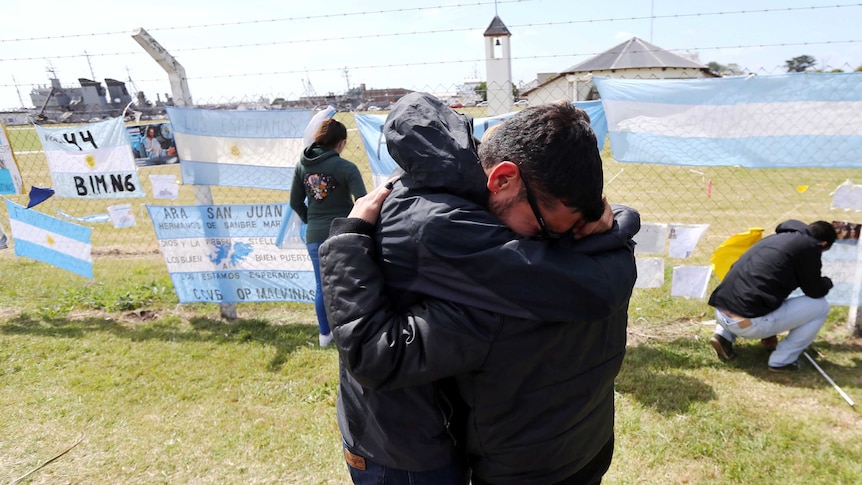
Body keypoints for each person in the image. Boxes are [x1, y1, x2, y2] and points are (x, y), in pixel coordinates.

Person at [320, 94, 639, 484]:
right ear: (502, 178)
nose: (552, 244)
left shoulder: (473, 200)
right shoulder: (436, 228)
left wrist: (610, 226)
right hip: (398, 449)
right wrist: (346, 241)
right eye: (542, 229)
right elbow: (374, 354)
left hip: (436, 440)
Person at [708, 220, 836, 372]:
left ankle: (724, 336)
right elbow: (814, 291)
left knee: (754, 290)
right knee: (820, 306)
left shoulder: (775, 239)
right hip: (748, 324)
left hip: (720, 311)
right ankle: (782, 361)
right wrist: (827, 282)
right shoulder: (809, 246)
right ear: (823, 244)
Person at [289, 118, 367, 347]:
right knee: (349, 283)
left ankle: (325, 335)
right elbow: (361, 201)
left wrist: (311, 220)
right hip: (341, 234)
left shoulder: (301, 166)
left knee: (321, 286)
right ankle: (352, 329)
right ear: (341, 143)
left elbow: (295, 202)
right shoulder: (347, 168)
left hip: (313, 235)